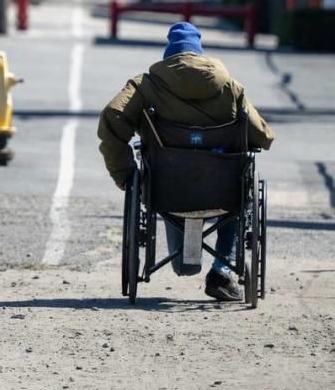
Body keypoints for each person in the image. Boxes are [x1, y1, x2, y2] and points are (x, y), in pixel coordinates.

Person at [97, 22, 275, 301]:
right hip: (222, 190)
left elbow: (113, 115)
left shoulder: (146, 85)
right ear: (200, 54)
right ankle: (221, 269)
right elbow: (263, 136)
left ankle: (187, 261)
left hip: (166, 189)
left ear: (170, 55)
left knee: (183, 267)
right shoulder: (230, 86)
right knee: (240, 184)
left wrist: (124, 172)